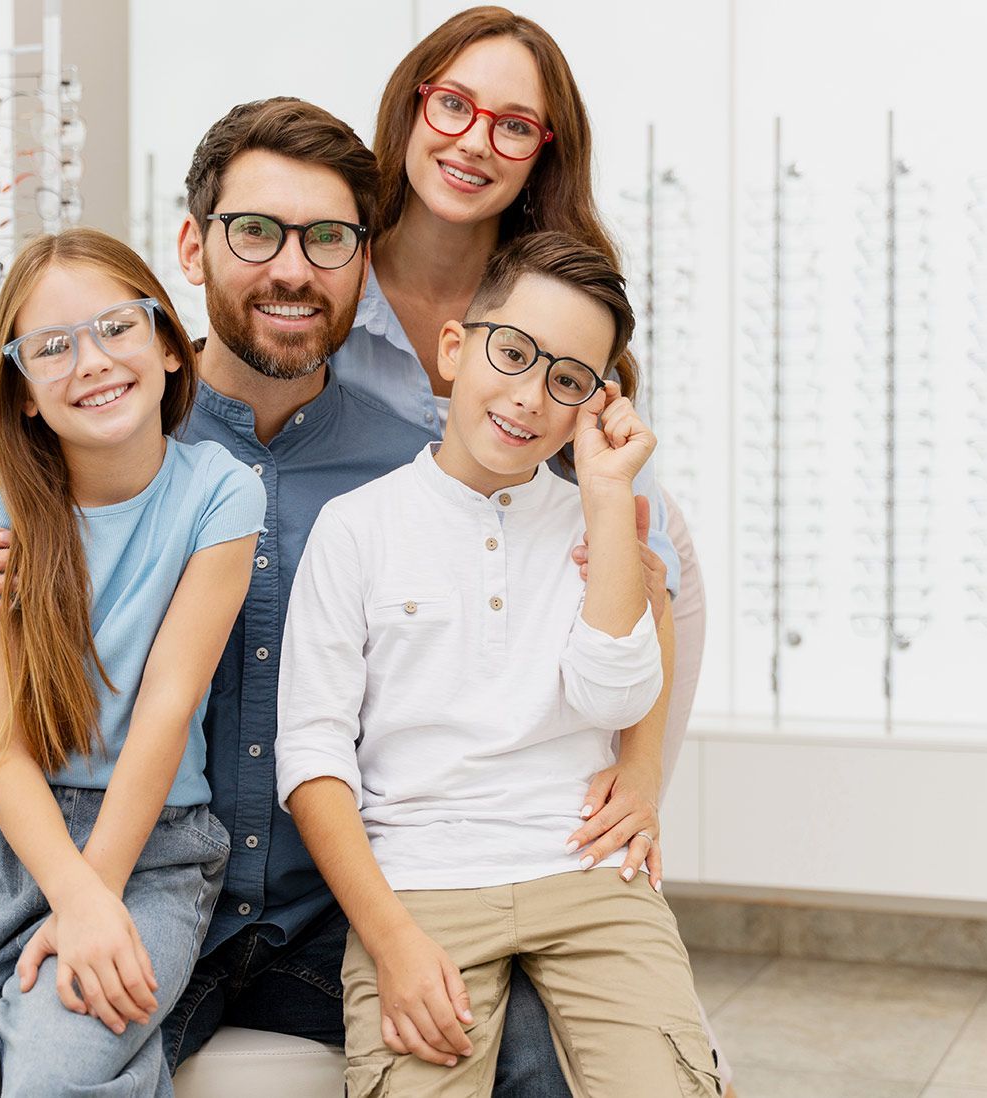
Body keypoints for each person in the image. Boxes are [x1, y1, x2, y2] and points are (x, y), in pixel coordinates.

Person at [0, 99, 597, 1088]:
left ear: (364, 261)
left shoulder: (423, 464)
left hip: (337, 915)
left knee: (531, 1048)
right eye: (256, 232)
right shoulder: (107, 434)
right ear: (193, 246)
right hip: (150, 883)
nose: (292, 269)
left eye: (327, 239)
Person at [333, 7, 725, 1087]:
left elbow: (661, 565)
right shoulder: (333, 283)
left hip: (535, 786)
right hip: (398, 781)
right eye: (454, 105)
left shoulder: (560, 304)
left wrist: (641, 774)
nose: (475, 142)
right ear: (414, 103)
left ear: (546, 151)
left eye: (517, 126)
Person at [279, 232, 720, 1097]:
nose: (528, 398)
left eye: (567, 381)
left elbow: (616, 691)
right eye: (513, 354)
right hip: (420, 888)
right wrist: (389, 939)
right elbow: (312, 759)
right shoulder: (356, 528)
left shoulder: (599, 523)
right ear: (454, 348)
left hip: (591, 879)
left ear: (595, 405)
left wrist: (603, 496)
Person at [0, 227, 266, 1097]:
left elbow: (165, 708)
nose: (92, 361)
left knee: (55, 1065)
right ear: (27, 394)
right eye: (52, 348)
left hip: (149, 845)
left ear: (165, 343)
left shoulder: (222, 493)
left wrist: (97, 894)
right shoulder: (0, 511)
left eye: (116, 328)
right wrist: (70, 894)